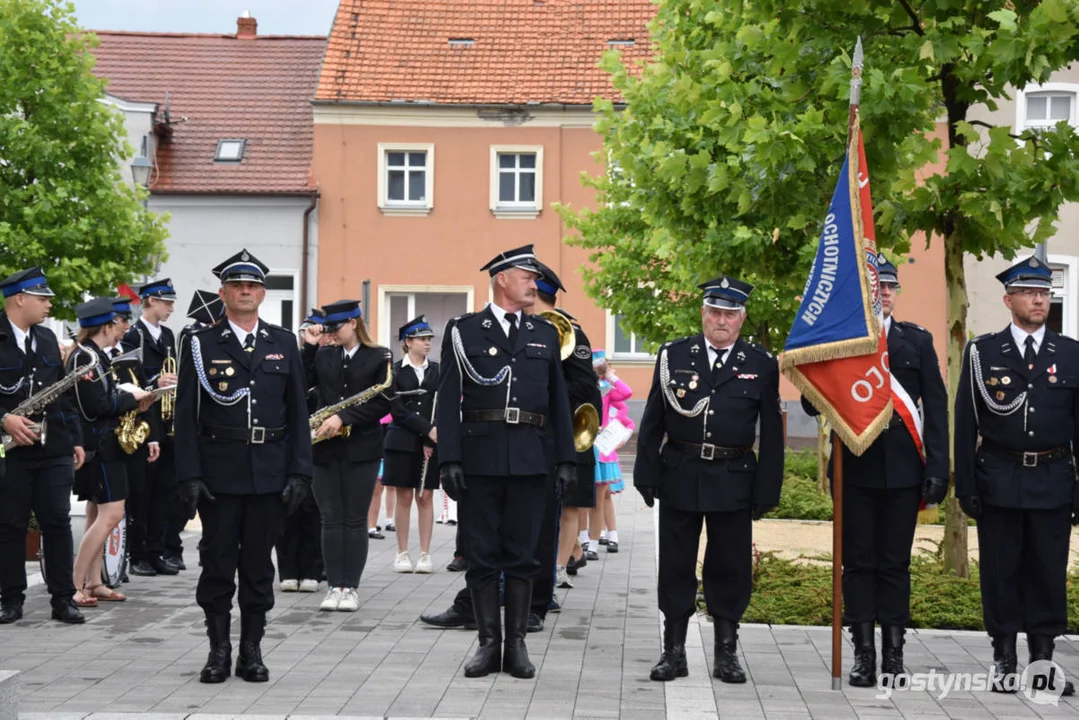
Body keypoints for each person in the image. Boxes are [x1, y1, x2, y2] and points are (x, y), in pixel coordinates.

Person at [800, 256, 948, 687]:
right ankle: (863, 654)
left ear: (895, 293)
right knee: (858, 566)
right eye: (875, 286)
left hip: (904, 470)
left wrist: (939, 466)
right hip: (855, 469)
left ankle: (894, 655)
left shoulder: (915, 341)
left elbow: (935, 408)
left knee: (894, 565)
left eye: (889, 286)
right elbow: (812, 404)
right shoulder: (844, 340)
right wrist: (822, 363)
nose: (883, 292)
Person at [435, 244, 576, 679]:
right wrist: (449, 459)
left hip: (533, 459)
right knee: (481, 554)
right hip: (479, 458)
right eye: (527, 276)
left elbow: (558, 400)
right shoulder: (464, 331)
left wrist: (566, 459)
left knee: (522, 556)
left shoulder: (546, 333)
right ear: (501, 279)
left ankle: (515, 646)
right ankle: (487, 644)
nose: (535, 284)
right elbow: (447, 398)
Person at [635, 276, 784, 683]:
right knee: (676, 565)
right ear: (703, 314)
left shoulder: (761, 364)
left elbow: (771, 430)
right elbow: (652, 419)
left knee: (730, 567)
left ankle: (726, 654)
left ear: (742, 319)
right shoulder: (674, 355)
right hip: (681, 473)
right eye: (715, 312)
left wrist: (768, 487)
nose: (721, 320)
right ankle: (674, 651)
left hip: (735, 477)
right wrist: (646, 473)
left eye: (730, 314)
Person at [175, 249, 313, 683]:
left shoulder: (283, 342)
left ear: (263, 293)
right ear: (224, 293)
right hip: (219, 474)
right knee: (216, 564)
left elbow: (297, 414)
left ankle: (251, 650)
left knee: (258, 566)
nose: (245, 292)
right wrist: (189, 474)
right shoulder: (200, 343)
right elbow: (185, 415)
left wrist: (300, 472)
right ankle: (218, 649)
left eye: (252, 286)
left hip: (269, 472)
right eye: (237, 286)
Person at [955, 256, 1077, 697]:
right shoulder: (982, 353)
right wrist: (965, 485)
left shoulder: (1070, 354)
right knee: (1001, 572)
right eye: (1029, 292)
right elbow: (965, 424)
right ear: (1009, 300)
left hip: (1053, 479)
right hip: (1000, 478)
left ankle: (1042, 663)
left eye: (1044, 292)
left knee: (1047, 572)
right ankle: (1004, 658)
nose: (1039, 299)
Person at [0, 267, 87, 625]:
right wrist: (4, 418)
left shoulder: (48, 340)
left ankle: (63, 599)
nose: (49, 304)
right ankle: (10, 599)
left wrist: (77, 439)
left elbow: (63, 397)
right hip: (9, 448)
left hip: (53, 448)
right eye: (42, 297)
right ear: (20, 298)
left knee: (57, 523)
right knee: (10, 524)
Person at [302, 299, 392, 612]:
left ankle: (349, 587)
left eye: (336, 327)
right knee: (330, 518)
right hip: (324, 446)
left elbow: (384, 401)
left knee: (354, 519)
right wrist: (310, 349)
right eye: (328, 329)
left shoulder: (379, 356)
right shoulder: (324, 354)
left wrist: (345, 418)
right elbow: (300, 385)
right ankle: (333, 587)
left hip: (362, 448)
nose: (331, 333)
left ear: (354, 323)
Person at [68, 298, 153, 606]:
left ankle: (94, 582)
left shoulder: (96, 357)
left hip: (106, 444)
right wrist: (134, 399)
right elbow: (97, 406)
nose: (123, 330)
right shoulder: (85, 358)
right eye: (120, 324)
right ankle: (73, 585)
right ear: (106, 326)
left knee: (96, 513)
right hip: (101, 446)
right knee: (112, 513)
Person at [122, 278, 181, 578]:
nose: (171, 307)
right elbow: (127, 380)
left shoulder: (168, 335)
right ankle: (138, 553)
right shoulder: (133, 336)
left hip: (167, 422)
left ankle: (157, 551)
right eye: (166, 302)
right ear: (150, 301)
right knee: (142, 493)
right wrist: (153, 383)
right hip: (145, 422)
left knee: (164, 492)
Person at [384, 316, 440, 574]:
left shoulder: (437, 370)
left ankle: (426, 554)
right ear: (408, 342)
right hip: (402, 440)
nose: (427, 343)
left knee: (426, 496)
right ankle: (402, 552)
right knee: (404, 495)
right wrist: (427, 430)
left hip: (431, 441)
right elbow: (397, 410)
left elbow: (442, 405)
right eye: (422, 339)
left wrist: (431, 437)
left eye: (429, 339)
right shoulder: (393, 371)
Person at [591, 350, 634, 553]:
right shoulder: (584, 387)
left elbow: (626, 393)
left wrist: (609, 375)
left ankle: (609, 535)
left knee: (603, 496)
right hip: (587, 445)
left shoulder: (606, 390)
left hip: (604, 449)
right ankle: (590, 535)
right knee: (591, 497)